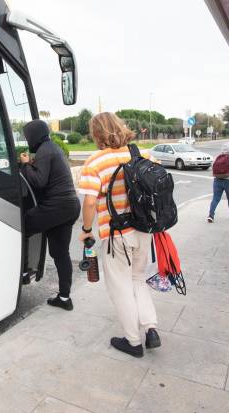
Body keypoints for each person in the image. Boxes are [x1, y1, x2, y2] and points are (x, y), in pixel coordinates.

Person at [77, 112, 160, 358]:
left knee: (120, 286)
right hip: (144, 230)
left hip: (117, 234)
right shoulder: (142, 154)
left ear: (97, 134)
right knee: (137, 278)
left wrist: (85, 230)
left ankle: (133, 341)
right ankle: (151, 328)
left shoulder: (95, 162)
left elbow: (90, 202)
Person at [19, 120, 80, 311]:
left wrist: (24, 164)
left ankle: (23, 271)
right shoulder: (53, 148)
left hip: (56, 207)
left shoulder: (45, 150)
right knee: (60, 253)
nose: (27, 139)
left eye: (27, 136)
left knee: (20, 228)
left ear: (33, 136)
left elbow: (39, 181)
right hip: (70, 206)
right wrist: (31, 163)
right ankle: (64, 298)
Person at [207, 142, 229, 223]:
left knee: (215, 198)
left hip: (217, 180)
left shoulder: (218, 157)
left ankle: (211, 215)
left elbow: (213, 167)